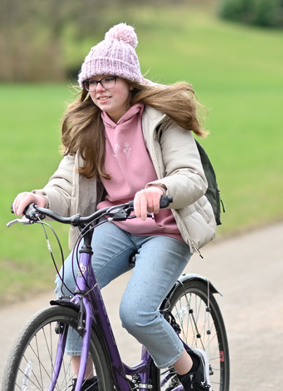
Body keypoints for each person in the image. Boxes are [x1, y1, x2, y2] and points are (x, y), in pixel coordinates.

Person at [11, 23, 217, 391]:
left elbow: (191, 176)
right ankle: (87, 379)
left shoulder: (162, 121)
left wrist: (159, 189)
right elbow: (66, 182)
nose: (98, 88)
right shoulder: (89, 126)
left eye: (108, 79)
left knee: (136, 313)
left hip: (165, 230)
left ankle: (189, 368)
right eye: (91, 81)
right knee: (70, 283)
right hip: (117, 224)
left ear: (129, 81)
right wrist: (40, 197)